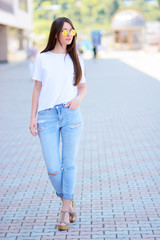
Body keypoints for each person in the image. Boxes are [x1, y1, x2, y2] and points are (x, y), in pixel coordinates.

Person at [29, 17, 87, 231]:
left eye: (71, 30)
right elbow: (37, 89)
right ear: (55, 34)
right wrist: (32, 117)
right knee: (53, 168)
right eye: (64, 31)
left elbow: (82, 87)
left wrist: (78, 100)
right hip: (46, 116)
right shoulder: (43, 58)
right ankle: (69, 201)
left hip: (70, 114)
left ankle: (64, 209)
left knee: (68, 164)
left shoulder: (76, 58)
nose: (69, 34)